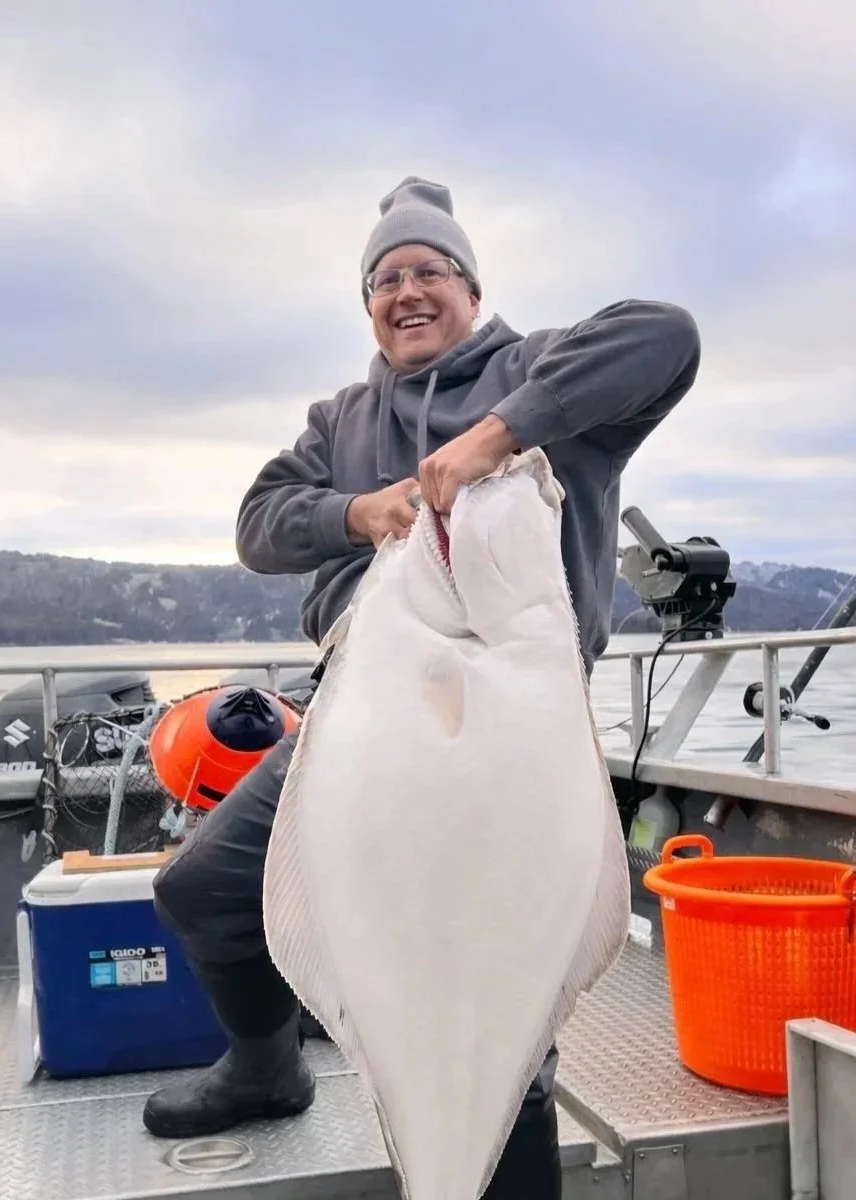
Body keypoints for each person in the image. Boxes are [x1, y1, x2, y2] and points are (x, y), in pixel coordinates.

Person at [143, 175, 701, 1198]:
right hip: (357, 716)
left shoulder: (540, 373)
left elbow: (664, 336)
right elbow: (260, 524)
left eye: (430, 270)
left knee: (504, 1023)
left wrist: (500, 436)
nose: (406, 291)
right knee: (203, 887)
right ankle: (268, 1069)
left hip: (510, 730)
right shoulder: (340, 419)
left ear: (471, 290)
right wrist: (359, 513)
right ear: (367, 305)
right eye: (385, 278)